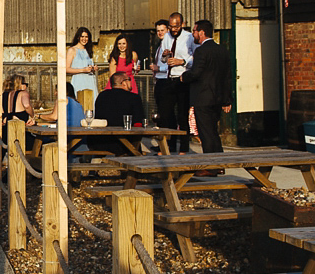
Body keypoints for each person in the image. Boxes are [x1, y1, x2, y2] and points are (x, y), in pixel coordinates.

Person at [183, 20, 233, 173]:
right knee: (213, 131)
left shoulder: (201, 51)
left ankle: (210, 166)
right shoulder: (222, 50)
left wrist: (184, 76)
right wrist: (227, 100)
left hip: (203, 98)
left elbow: (196, 73)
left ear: (202, 33)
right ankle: (219, 165)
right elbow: (227, 77)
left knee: (206, 133)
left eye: (195, 31)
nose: (193, 34)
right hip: (217, 98)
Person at [153, 12, 196, 153]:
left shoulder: (189, 38)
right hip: (168, 79)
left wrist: (181, 61)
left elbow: (195, 58)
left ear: (182, 24)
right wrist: (165, 56)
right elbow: (163, 60)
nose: (173, 30)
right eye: (171, 27)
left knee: (183, 115)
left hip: (183, 79)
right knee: (166, 115)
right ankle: (168, 146)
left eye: (176, 27)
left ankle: (184, 147)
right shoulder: (166, 37)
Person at [94, 71, 147, 156]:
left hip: (99, 142)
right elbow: (138, 123)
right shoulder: (134, 98)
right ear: (124, 83)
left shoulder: (101, 96)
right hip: (125, 144)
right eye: (129, 80)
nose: (131, 82)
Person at [0, 74, 35, 149]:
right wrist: (32, 115)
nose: (26, 86)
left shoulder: (0, 96)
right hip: (20, 135)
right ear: (20, 84)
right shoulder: (23, 93)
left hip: (4, 135)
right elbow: (27, 105)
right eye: (25, 84)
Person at [66, 27, 99, 112]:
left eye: (86, 37)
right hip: (79, 80)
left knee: (92, 103)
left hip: (90, 80)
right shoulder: (72, 50)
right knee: (80, 103)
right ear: (78, 37)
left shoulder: (88, 50)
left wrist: (93, 68)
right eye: (82, 37)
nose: (84, 39)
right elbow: (66, 69)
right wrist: (83, 70)